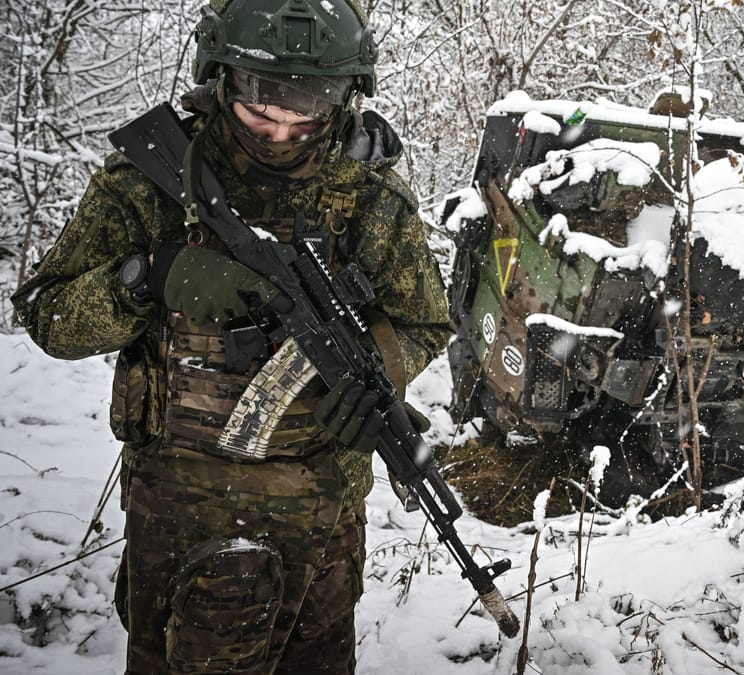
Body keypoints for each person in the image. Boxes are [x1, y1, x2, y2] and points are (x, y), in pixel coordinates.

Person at [12, 0, 451, 671]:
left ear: (345, 97)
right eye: (259, 108)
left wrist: (376, 375)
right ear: (219, 75)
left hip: (322, 528)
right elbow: (48, 315)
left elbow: (426, 319)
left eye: (304, 113)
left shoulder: (366, 196)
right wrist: (148, 277)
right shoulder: (152, 179)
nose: (279, 132)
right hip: (181, 519)